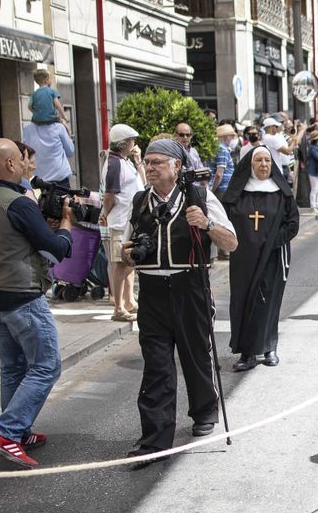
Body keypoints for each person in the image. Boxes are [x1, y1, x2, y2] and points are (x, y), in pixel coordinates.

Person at [121, 138, 238, 461]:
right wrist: (128, 254)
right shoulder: (139, 201)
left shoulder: (199, 197)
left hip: (190, 287)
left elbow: (232, 242)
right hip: (152, 292)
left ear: (177, 166)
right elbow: (127, 249)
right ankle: (155, 440)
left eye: (158, 162)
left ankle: (204, 412)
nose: (150, 167)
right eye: (147, 161)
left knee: (196, 355)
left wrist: (207, 223)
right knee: (156, 365)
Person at [0, 138, 73, 468]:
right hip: (22, 294)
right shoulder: (18, 203)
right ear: (11, 164)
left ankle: (17, 430)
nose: (27, 166)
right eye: (22, 161)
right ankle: (8, 432)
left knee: (13, 367)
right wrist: (66, 225)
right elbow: (55, 249)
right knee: (46, 365)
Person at [220, 144, 298, 370]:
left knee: (268, 301)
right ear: (249, 165)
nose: (264, 164)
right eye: (258, 161)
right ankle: (246, 353)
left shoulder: (282, 193)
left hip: (273, 256)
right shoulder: (235, 195)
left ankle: (269, 347)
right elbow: (225, 223)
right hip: (243, 257)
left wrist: (272, 242)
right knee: (243, 301)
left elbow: (292, 224)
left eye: (267, 160)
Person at [102, 123, 142, 321]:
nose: (134, 144)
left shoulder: (124, 161)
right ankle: (118, 306)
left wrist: (138, 160)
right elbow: (110, 195)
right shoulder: (114, 164)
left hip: (129, 219)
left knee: (129, 261)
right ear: (124, 143)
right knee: (120, 263)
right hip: (119, 220)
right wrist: (105, 213)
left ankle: (128, 300)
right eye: (132, 141)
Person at [20, 68, 75, 188]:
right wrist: (64, 118)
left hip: (38, 181)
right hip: (60, 181)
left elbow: (29, 107)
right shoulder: (58, 128)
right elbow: (70, 151)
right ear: (46, 79)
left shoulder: (27, 130)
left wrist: (36, 111)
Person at [211, 122, 238, 195]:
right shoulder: (223, 150)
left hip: (220, 189)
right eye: (232, 136)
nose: (233, 138)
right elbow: (219, 174)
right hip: (222, 190)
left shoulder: (216, 148)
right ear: (226, 137)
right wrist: (212, 191)